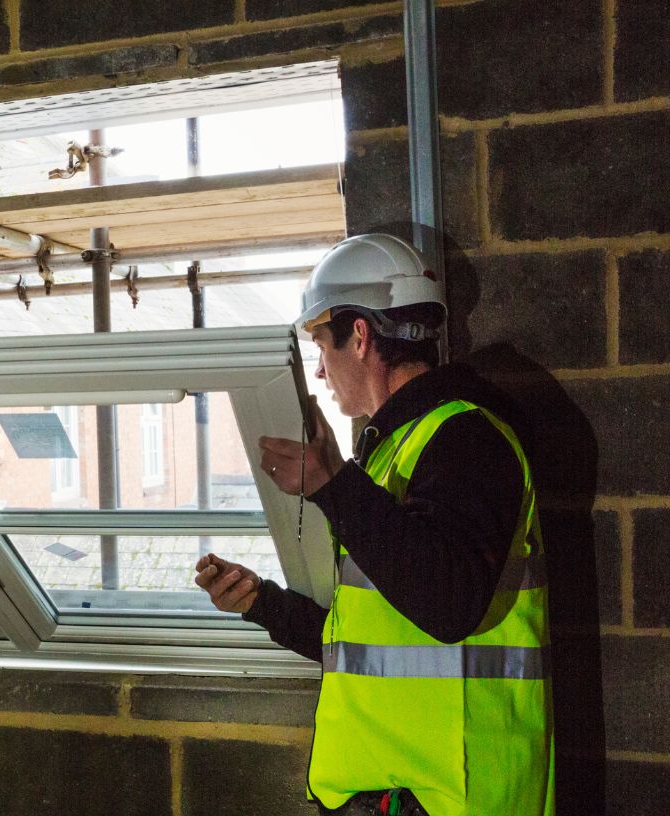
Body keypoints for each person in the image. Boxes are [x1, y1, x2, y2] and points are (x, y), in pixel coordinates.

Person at [194, 234, 552, 816]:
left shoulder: (467, 439)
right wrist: (261, 603)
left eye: (321, 342)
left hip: (453, 794)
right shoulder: (389, 455)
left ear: (359, 336)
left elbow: (449, 603)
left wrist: (334, 485)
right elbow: (373, 638)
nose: (318, 367)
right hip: (399, 789)